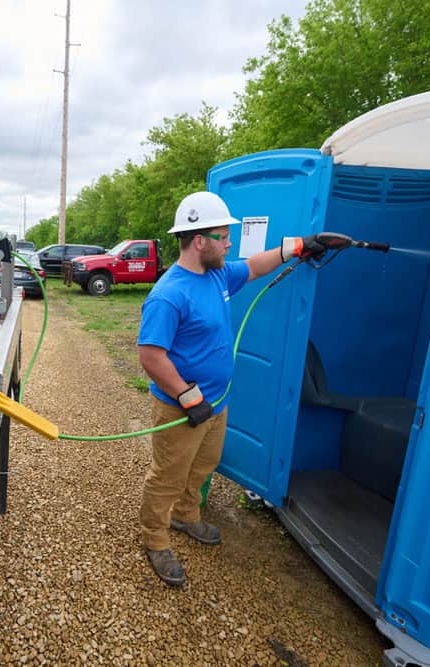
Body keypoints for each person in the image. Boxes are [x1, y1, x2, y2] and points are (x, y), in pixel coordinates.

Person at [136, 190, 329, 587]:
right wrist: (188, 398)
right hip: (182, 408)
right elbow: (151, 357)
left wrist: (298, 246)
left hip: (216, 403)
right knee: (167, 475)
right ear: (200, 241)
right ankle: (155, 538)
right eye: (224, 237)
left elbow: (255, 267)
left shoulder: (218, 274)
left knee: (204, 465)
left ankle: (186, 516)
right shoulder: (169, 294)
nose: (230, 244)